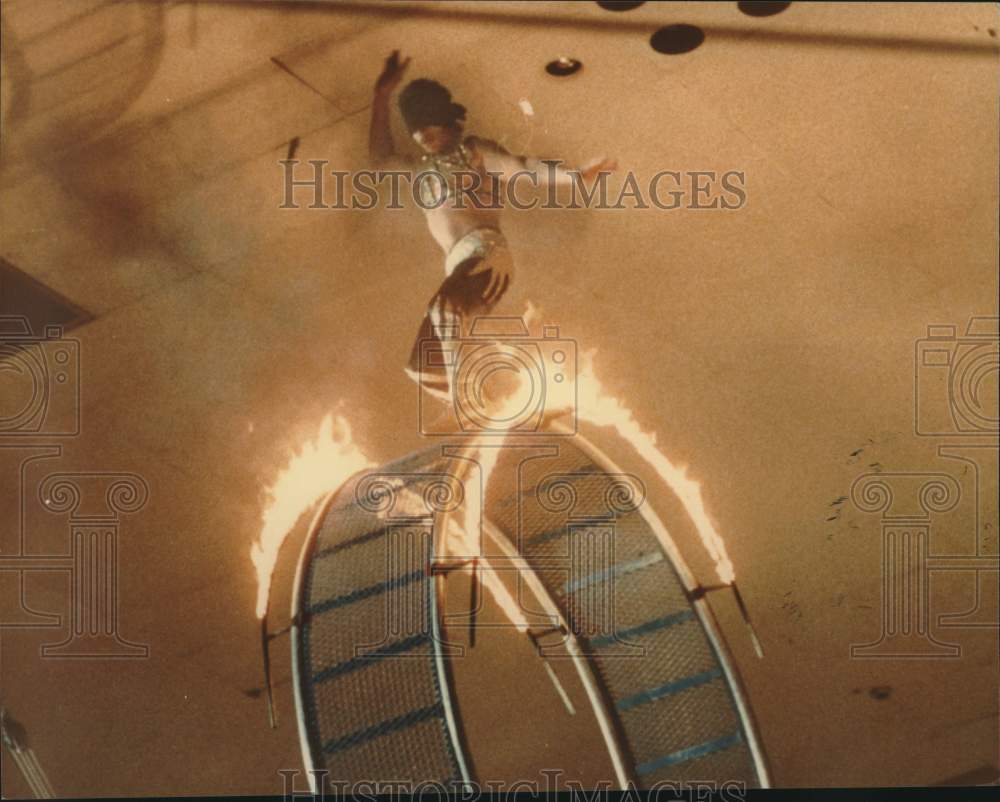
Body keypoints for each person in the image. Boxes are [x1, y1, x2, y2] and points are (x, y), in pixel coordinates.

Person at [368, 50, 616, 404]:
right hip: (458, 264)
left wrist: (574, 177)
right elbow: (379, 161)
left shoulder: (475, 152)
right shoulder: (418, 172)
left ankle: (468, 392)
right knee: (421, 367)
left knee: (443, 310)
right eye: (418, 131)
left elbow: (523, 166)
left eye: (430, 126)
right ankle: (488, 396)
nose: (423, 135)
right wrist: (380, 97)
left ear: (448, 122)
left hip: (487, 253)